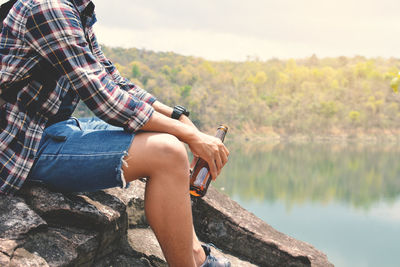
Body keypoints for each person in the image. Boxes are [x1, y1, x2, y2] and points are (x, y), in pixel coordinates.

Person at [0, 0, 230, 266]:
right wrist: (190, 136)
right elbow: (106, 100)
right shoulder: (50, 7)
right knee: (168, 152)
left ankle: (197, 257)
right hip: (19, 146)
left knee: (172, 136)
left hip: (48, 128)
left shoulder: (78, 8)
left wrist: (180, 120)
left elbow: (114, 80)